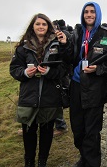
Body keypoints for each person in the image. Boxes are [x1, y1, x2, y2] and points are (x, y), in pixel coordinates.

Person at [10, 13, 71, 167]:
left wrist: (49, 72)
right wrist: (25, 73)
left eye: (44, 24)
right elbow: (14, 69)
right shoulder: (23, 47)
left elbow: (65, 68)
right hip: (28, 96)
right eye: (38, 24)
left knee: (46, 134)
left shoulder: (57, 44)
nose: (41, 27)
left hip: (50, 96)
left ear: (49, 26)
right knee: (28, 134)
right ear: (33, 26)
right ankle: (29, 162)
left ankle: (42, 162)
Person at [68, 1, 107, 167]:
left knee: (92, 130)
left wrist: (98, 69)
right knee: (78, 129)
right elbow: (69, 58)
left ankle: (92, 162)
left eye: (92, 12)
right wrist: (63, 45)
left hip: (95, 88)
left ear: (98, 14)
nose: (89, 15)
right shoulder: (76, 33)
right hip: (76, 85)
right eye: (86, 12)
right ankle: (84, 157)